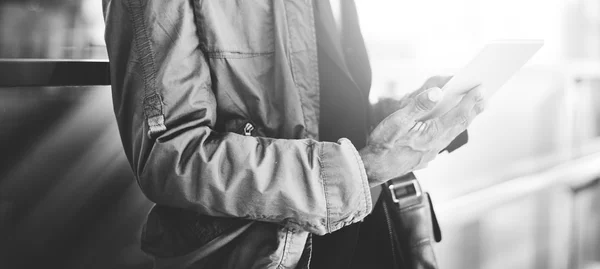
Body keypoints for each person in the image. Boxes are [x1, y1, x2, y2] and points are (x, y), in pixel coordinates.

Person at [102, 0, 485, 268]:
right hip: (269, 255)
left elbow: (330, 112)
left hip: (368, 237)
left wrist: (404, 119)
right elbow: (173, 157)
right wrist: (363, 168)